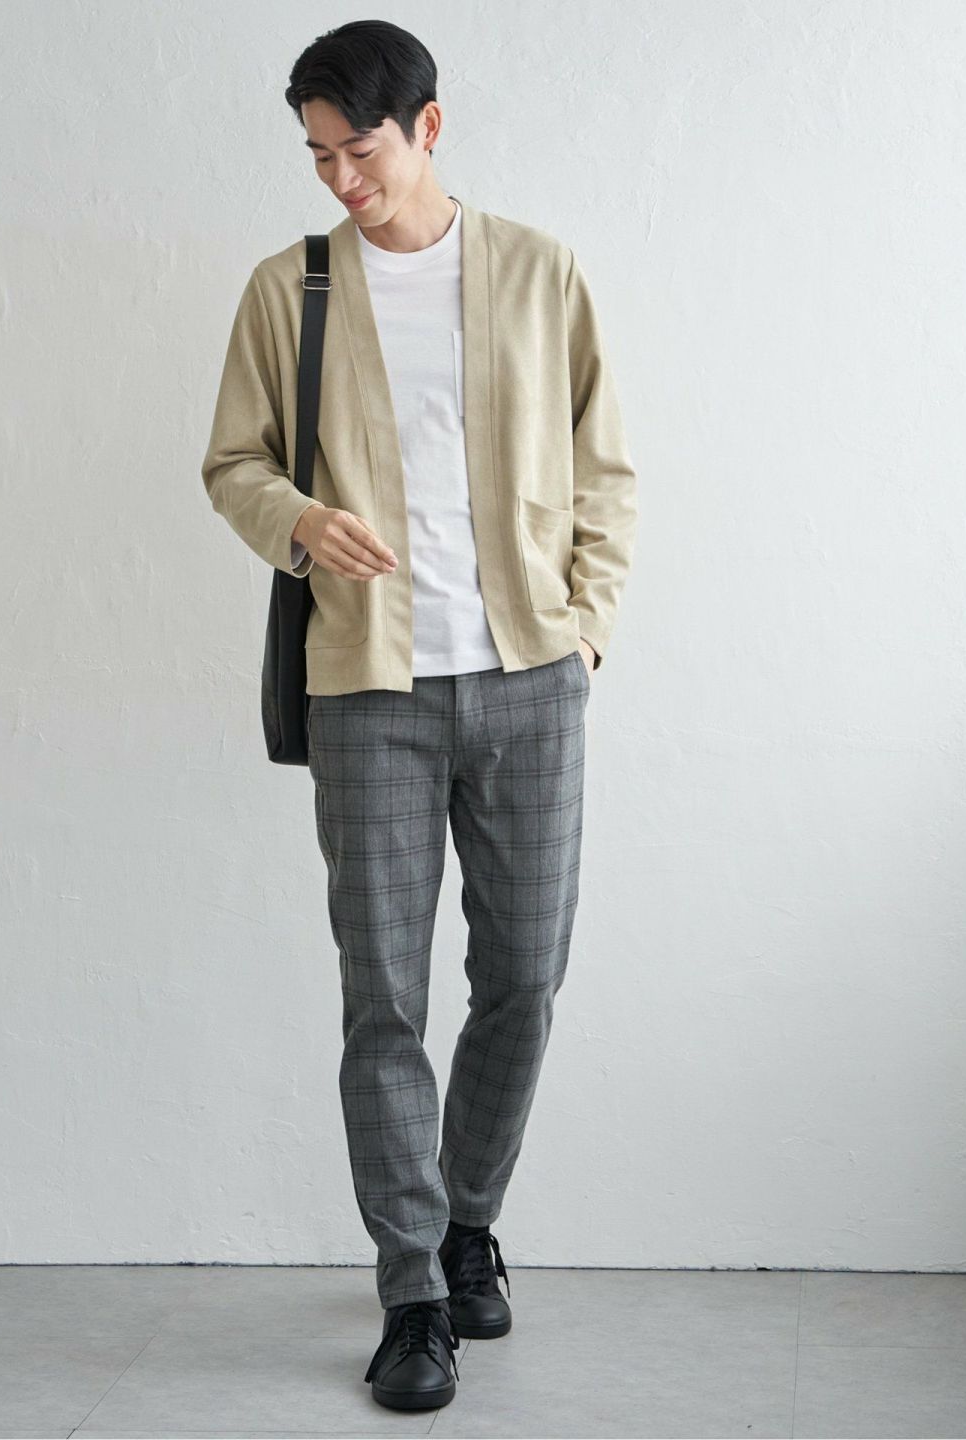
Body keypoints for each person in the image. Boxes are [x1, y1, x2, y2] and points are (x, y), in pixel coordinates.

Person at [200, 19, 640, 1413]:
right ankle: (412, 1294)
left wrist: (584, 628)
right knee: (382, 995)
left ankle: (468, 1220)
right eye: (318, 156)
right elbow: (232, 461)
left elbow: (606, 467)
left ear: (428, 128)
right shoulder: (291, 290)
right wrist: (296, 519)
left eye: (362, 148)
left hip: (531, 681)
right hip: (368, 692)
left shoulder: (539, 272)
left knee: (524, 976)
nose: (342, 178)